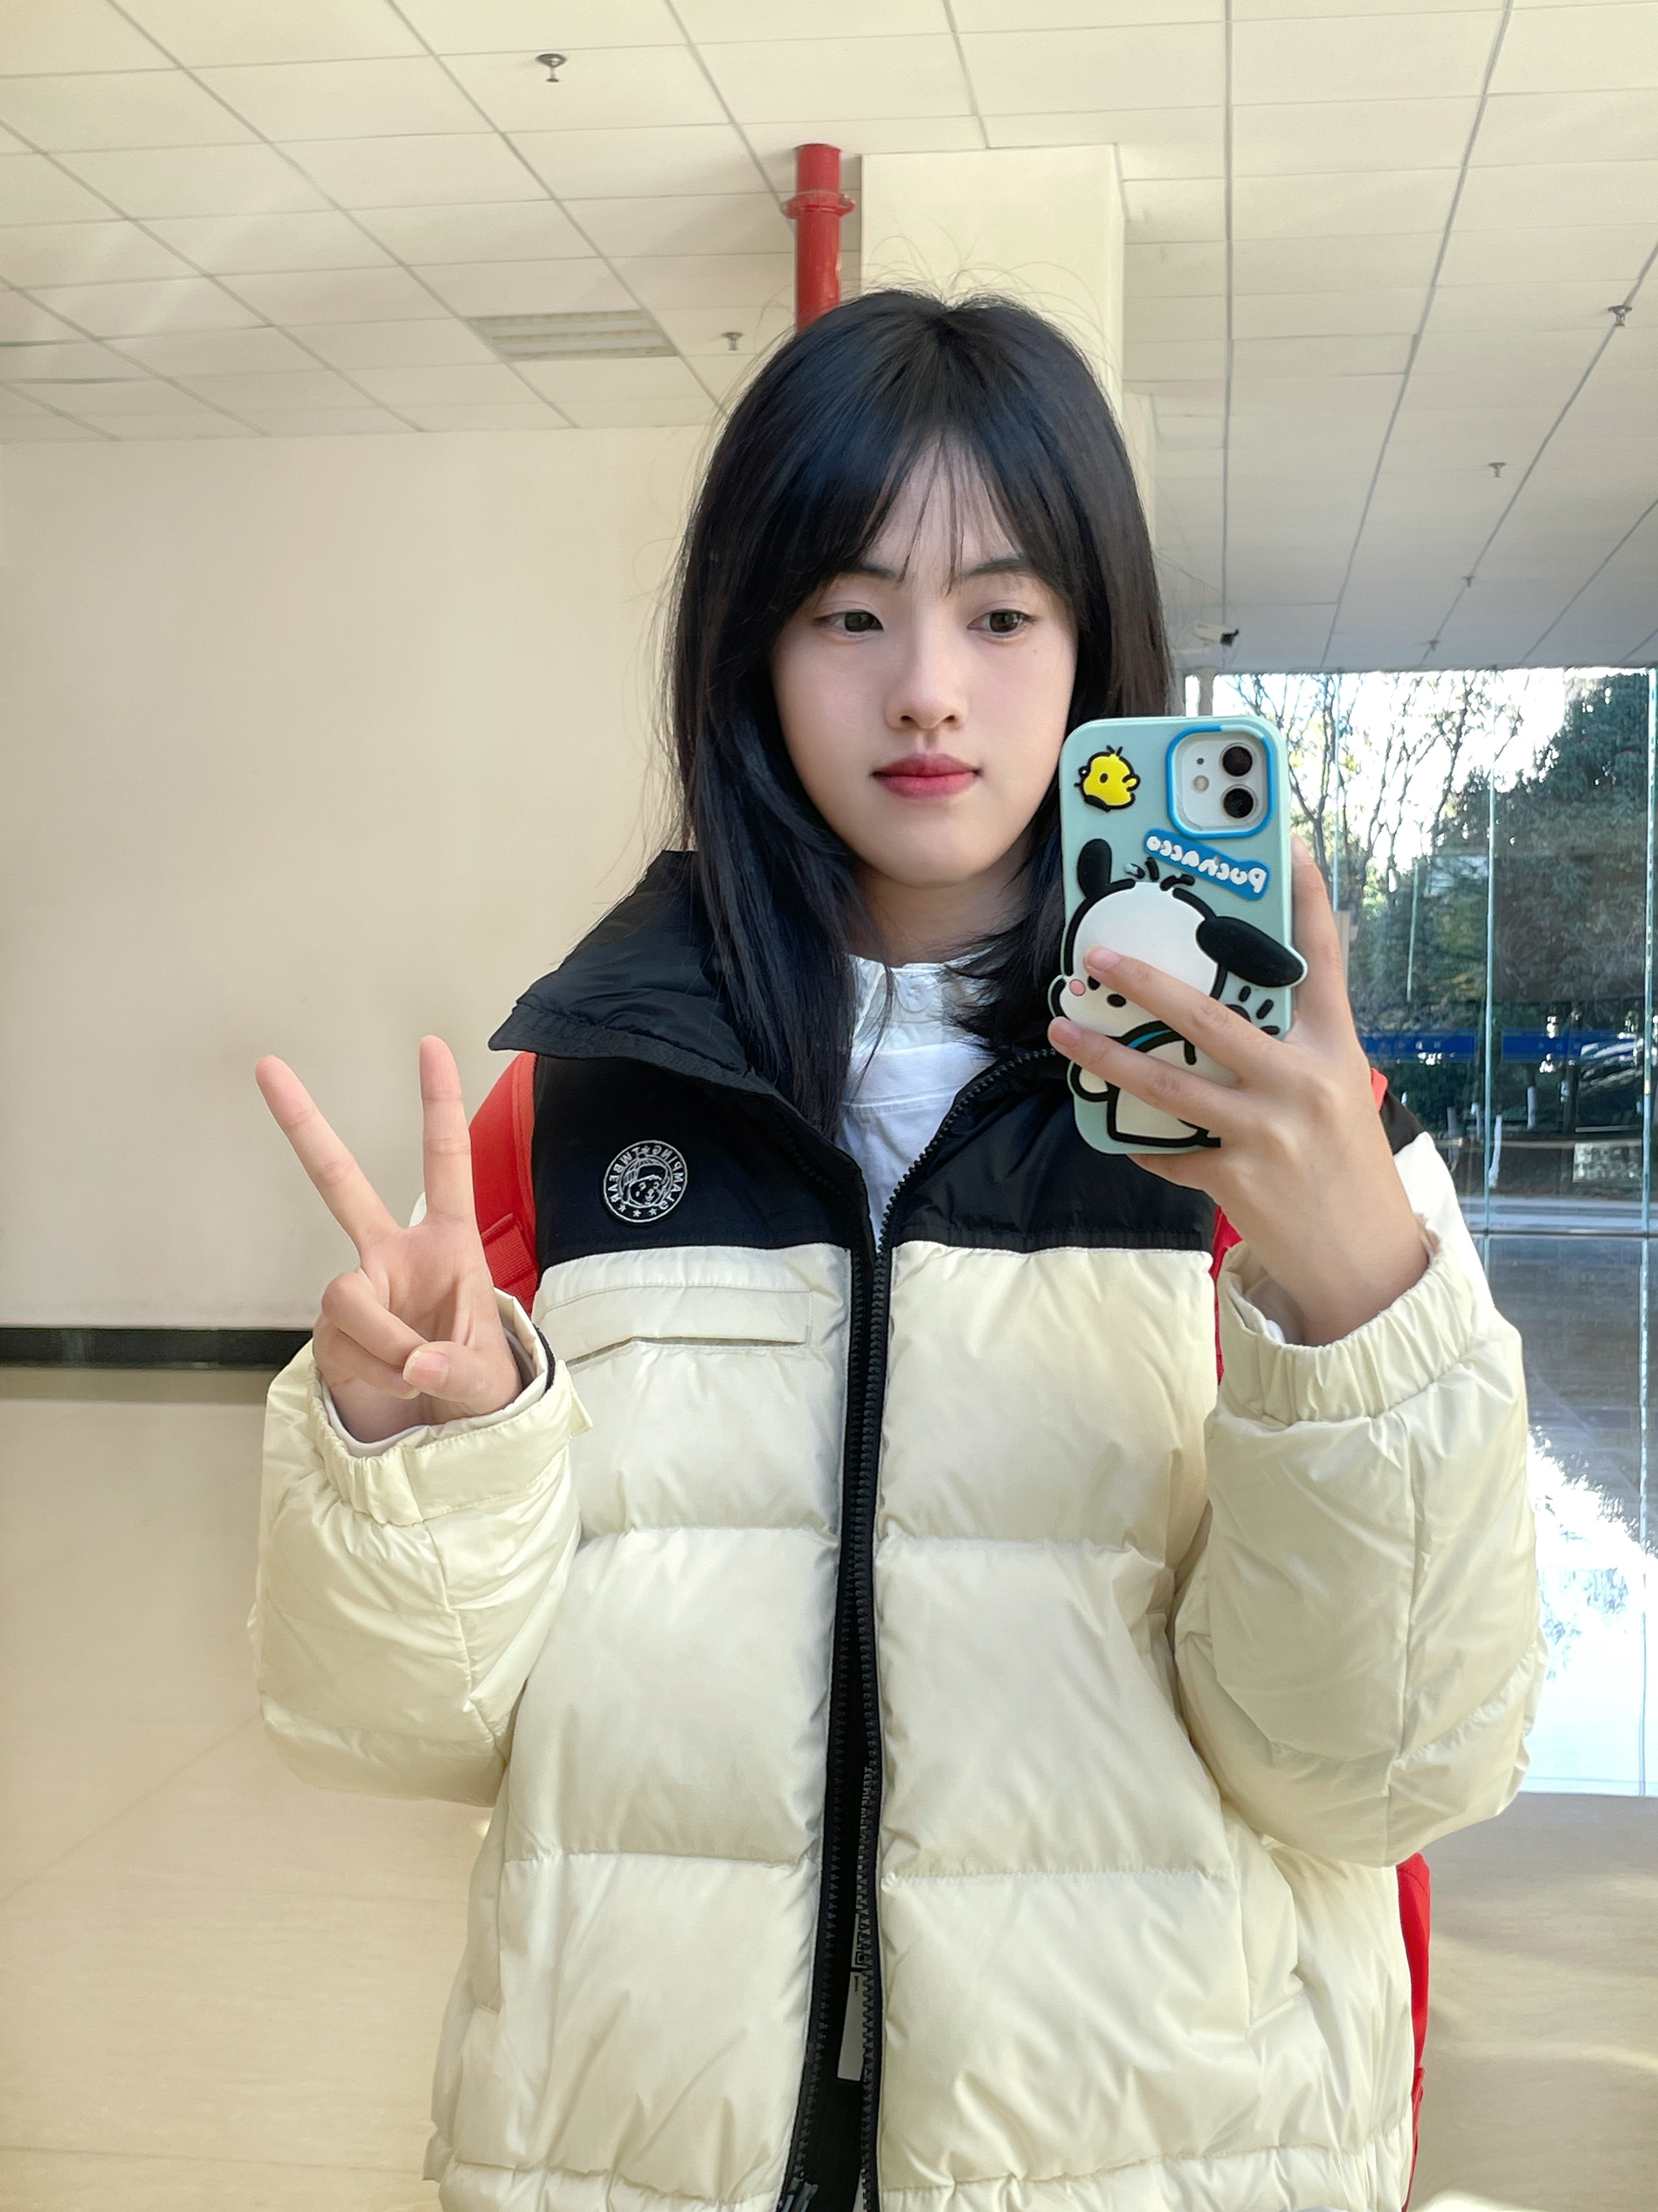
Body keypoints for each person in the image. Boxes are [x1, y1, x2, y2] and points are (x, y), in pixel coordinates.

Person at [252, 291, 1542, 2212]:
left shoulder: (1289, 1136)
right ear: (751, 650)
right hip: (638, 2150)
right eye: (849, 614)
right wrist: (414, 1456)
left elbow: (1378, 1773)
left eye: (1000, 616)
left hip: (1156, 2147)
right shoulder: (574, 1108)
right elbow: (410, 1730)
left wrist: (1360, 1316)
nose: (927, 690)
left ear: (1095, 648)